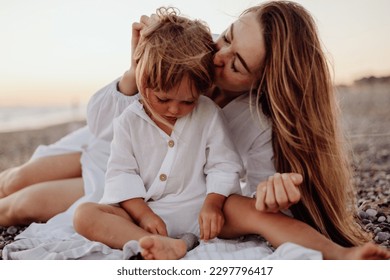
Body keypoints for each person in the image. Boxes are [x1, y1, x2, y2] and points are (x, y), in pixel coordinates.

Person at [1, 1, 389, 260]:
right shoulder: (186, 61)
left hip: (130, 184)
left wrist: (271, 192)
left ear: (265, 83)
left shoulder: (252, 122)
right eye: (228, 37)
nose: (218, 57)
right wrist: (138, 69)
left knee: (17, 205)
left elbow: (244, 188)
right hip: (112, 149)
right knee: (14, 177)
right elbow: (104, 128)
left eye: (237, 65)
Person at [73, 7, 243, 254]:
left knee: (248, 208)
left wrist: (213, 204)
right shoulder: (128, 120)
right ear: (143, 80)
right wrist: (143, 216)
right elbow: (122, 174)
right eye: (163, 99)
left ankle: (164, 245)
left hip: (199, 211)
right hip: (149, 215)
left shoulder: (208, 113)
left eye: (188, 101)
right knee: (84, 215)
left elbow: (224, 164)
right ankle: (158, 244)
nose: (174, 109)